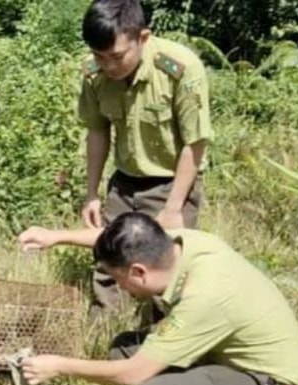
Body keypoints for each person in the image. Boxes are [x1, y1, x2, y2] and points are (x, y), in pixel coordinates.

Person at [17, 214, 298, 385]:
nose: (120, 288)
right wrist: (55, 237)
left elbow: (133, 375)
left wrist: (59, 366)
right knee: (124, 347)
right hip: (226, 359)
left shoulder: (203, 297)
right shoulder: (182, 244)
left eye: (119, 280)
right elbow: (123, 240)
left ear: (138, 272)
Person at [77, 0, 212, 317]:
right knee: (108, 263)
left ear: (144, 37)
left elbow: (195, 142)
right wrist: (92, 195)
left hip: (171, 181)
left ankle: (160, 348)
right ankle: (103, 334)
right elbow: (98, 132)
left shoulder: (181, 69)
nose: (108, 66)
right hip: (124, 182)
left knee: (164, 271)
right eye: (99, 56)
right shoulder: (94, 74)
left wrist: (174, 207)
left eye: (117, 57)